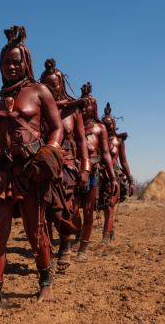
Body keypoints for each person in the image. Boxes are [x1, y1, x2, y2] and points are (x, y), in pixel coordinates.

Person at [0, 26, 64, 324]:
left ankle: (46, 282)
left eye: (16, 61)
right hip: (1, 172)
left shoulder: (40, 91)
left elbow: (58, 128)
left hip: (30, 172)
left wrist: (49, 151)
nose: (11, 66)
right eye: (6, 62)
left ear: (26, 62)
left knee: (36, 233)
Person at [39, 59, 89, 271]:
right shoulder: (36, 107)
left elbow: (81, 141)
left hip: (67, 164)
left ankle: (66, 245)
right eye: (47, 85)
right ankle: (47, 250)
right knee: (42, 209)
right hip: (42, 162)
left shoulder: (73, 111)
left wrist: (85, 167)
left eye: (55, 85)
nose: (52, 88)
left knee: (68, 208)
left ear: (61, 85)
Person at [71, 83, 118, 261]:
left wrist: (113, 177)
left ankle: (83, 248)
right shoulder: (72, 124)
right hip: (73, 171)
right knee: (72, 210)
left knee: (89, 210)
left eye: (87, 105)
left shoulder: (100, 128)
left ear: (93, 108)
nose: (83, 109)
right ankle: (76, 236)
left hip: (92, 173)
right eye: (81, 105)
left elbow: (105, 153)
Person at [99, 102, 134, 245]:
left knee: (109, 207)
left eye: (110, 123)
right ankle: (111, 233)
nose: (108, 126)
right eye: (105, 124)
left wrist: (130, 180)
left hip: (115, 176)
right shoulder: (98, 140)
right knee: (101, 206)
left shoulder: (118, 141)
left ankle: (105, 238)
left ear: (114, 124)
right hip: (99, 175)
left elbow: (124, 162)